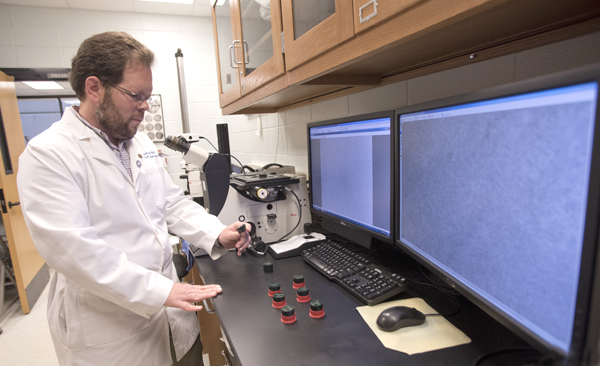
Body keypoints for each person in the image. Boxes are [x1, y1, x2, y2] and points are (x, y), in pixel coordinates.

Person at [16, 31, 250, 366]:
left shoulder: (138, 144)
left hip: (172, 315)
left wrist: (214, 232)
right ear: (94, 88)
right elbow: (73, 250)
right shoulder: (48, 154)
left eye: (148, 97)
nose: (145, 107)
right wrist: (159, 291)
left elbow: (170, 203)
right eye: (135, 95)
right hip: (110, 331)